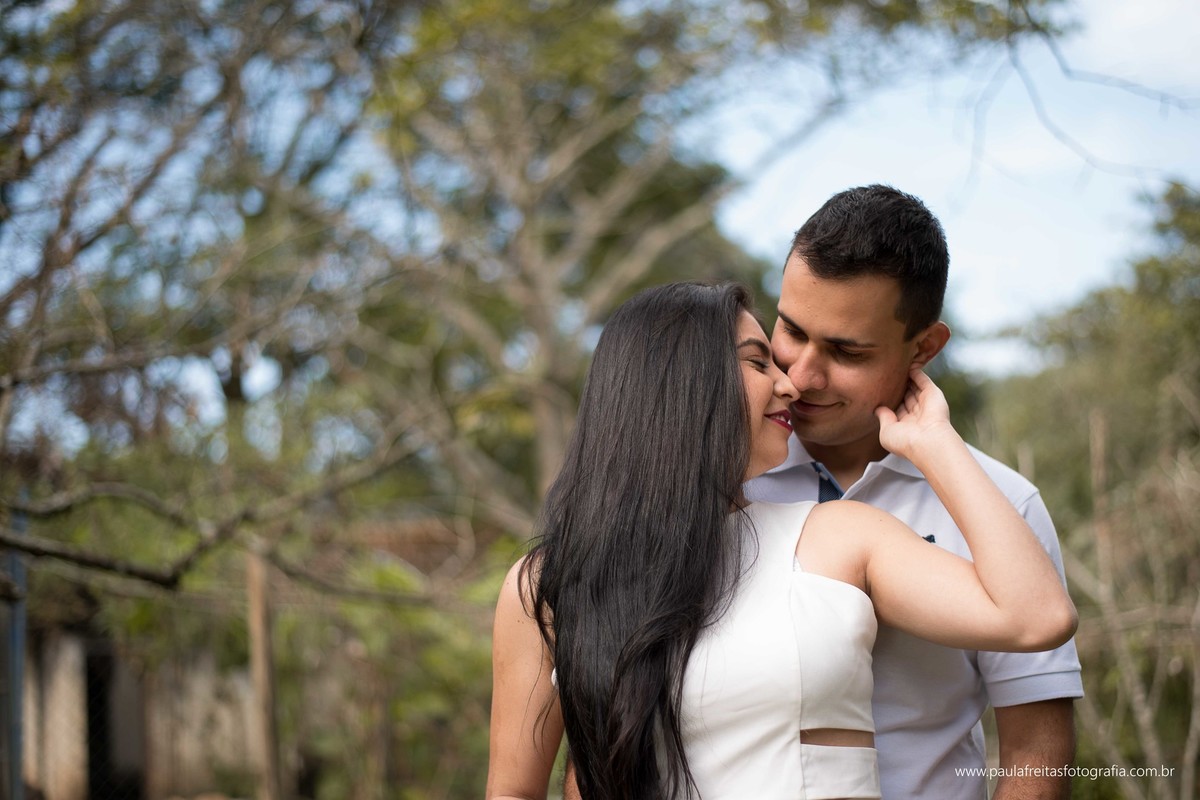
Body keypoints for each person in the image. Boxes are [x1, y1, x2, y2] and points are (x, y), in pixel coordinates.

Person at [486, 281, 1077, 800]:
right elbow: (514, 789)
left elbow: (1038, 617)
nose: (791, 385)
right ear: (682, 384)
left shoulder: (838, 534)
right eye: (759, 362)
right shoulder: (546, 585)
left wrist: (934, 441)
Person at [747, 184, 1084, 799]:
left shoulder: (1003, 506)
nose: (801, 374)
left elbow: (1037, 745)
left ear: (923, 348)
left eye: (846, 351)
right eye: (791, 330)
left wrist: (935, 446)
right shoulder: (728, 483)